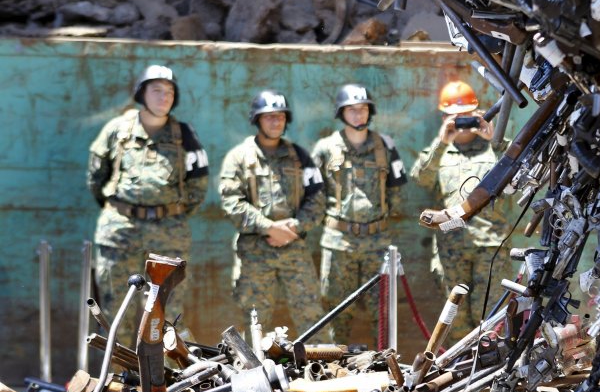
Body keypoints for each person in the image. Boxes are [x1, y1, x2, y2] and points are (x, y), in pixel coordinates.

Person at [87, 65, 209, 343]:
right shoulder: (117, 130)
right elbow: (96, 178)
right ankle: (117, 379)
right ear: (142, 93)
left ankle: (164, 382)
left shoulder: (184, 135)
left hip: (169, 233)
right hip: (120, 232)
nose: (163, 96)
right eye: (156, 90)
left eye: (169, 91)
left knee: (166, 310)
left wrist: (169, 213)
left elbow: (198, 185)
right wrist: (123, 211)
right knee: (116, 307)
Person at [411, 80, 516, 338]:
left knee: (491, 320)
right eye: (455, 117)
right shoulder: (439, 152)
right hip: (451, 246)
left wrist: (495, 140)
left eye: (467, 116)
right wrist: (441, 143)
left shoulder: (498, 150)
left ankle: (490, 373)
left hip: (491, 248)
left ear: (477, 115)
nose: (462, 123)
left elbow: (519, 174)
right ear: (445, 117)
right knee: (454, 320)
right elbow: (420, 178)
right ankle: (458, 371)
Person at [218, 90, 326, 333]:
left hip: (294, 247)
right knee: (254, 321)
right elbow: (231, 203)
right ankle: (252, 369)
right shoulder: (239, 157)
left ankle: (319, 367)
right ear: (257, 120)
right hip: (255, 253)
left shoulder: (300, 157)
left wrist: (295, 227)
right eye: (269, 117)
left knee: (311, 315)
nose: (276, 122)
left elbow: (317, 199)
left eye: (280, 116)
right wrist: (268, 227)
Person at [311, 84, 407, 343]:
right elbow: (313, 193)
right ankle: (332, 368)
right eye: (351, 110)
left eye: (363, 109)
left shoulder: (385, 145)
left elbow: (397, 189)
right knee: (337, 310)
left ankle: (387, 368)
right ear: (341, 113)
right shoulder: (324, 148)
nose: (358, 115)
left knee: (383, 309)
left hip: (377, 243)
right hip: (338, 243)